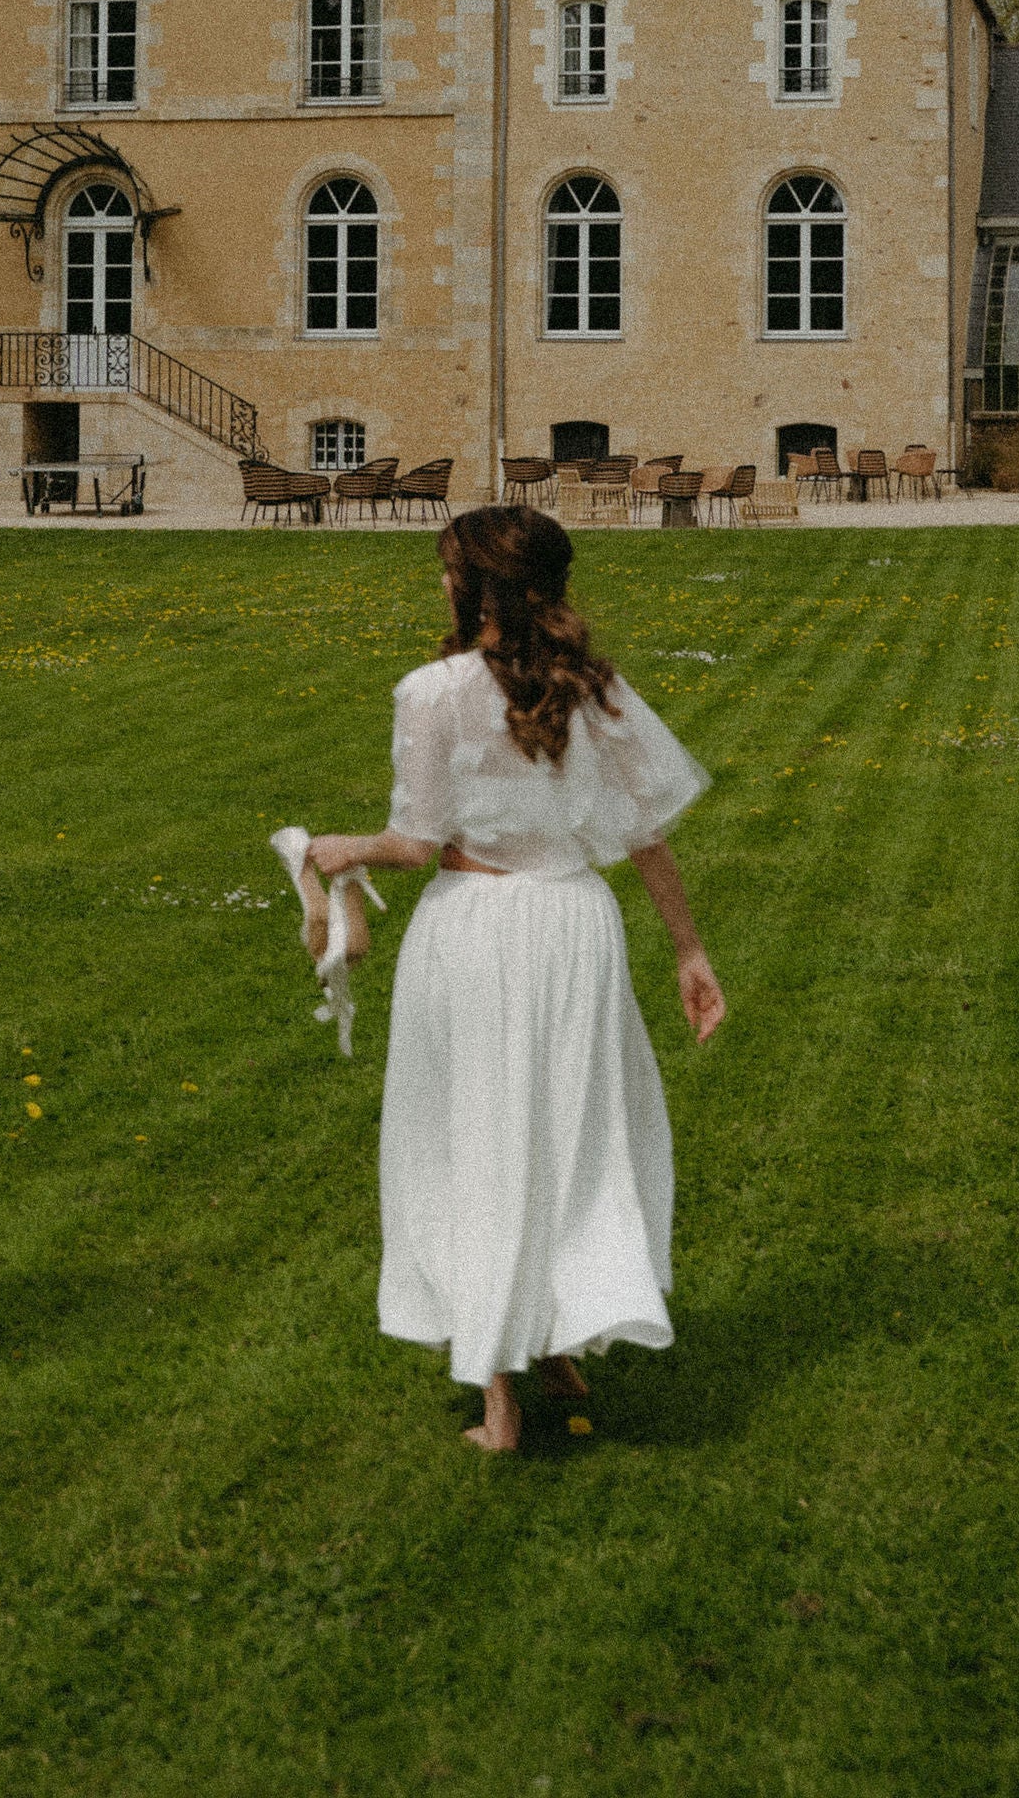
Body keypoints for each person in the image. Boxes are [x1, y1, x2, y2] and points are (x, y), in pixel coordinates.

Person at [305, 503, 724, 1453]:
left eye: (447, 569)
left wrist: (338, 849)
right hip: (577, 925)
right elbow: (645, 830)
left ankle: (499, 1392)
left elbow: (414, 844)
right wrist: (688, 949)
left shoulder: (432, 692)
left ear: (474, 584)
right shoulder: (593, 685)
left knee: (476, 1143)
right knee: (572, 1140)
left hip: (482, 933)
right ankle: (554, 1343)